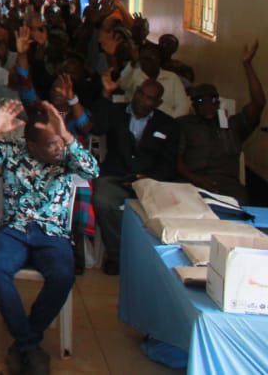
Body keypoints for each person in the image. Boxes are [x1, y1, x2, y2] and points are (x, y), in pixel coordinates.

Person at [0, 99, 99, 375]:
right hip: (14, 230)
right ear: (32, 147)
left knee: (63, 275)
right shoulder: (13, 151)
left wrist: (66, 136)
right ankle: (29, 346)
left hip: (53, 234)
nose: (58, 149)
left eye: (59, 143)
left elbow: (92, 170)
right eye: (51, 144)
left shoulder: (66, 155)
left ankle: (25, 342)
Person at [90, 76, 178, 274]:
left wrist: (148, 179)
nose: (141, 100)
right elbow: (97, 127)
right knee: (103, 201)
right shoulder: (116, 112)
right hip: (116, 177)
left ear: (158, 103)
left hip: (150, 181)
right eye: (140, 93)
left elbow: (168, 162)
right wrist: (105, 95)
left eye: (149, 98)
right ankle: (117, 255)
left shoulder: (168, 125)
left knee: (163, 209)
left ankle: (147, 258)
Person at [175, 41, 264, 202]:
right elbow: (175, 159)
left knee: (240, 206)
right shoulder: (184, 125)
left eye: (212, 100)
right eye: (201, 102)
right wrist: (196, 179)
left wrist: (247, 65)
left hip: (227, 185)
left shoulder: (233, 125)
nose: (207, 105)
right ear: (194, 106)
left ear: (218, 103)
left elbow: (258, 103)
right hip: (192, 182)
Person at [119, 42, 190, 119]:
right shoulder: (133, 73)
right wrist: (133, 62)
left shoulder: (172, 77)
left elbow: (183, 106)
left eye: (152, 57)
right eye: (145, 58)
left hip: (167, 122)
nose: (148, 61)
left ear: (159, 59)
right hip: (137, 119)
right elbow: (122, 85)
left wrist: (169, 122)